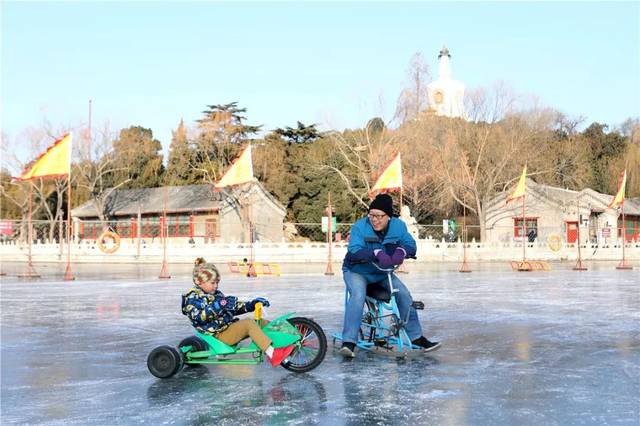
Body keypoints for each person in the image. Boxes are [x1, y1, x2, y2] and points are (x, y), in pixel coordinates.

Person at [339, 194, 440, 358]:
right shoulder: (360, 227)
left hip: (381, 273)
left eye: (379, 216)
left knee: (404, 295)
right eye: (371, 215)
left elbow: (411, 245)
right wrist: (375, 252)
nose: (375, 220)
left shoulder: (398, 227)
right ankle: (349, 341)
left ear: (389, 217)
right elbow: (354, 250)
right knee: (358, 295)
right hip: (357, 271)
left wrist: (402, 251)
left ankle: (416, 337)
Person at [181, 257, 294, 366]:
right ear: (200, 282)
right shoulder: (193, 298)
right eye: (212, 283)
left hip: (227, 328)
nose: (215, 286)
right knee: (248, 324)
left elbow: (233, 307)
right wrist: (218, 305)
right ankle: (273, 354)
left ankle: (288, 343)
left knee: (261, 323)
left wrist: (251, 305)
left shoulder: (216, 294)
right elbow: (198, 317)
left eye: (217, 282)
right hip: (217, 336)